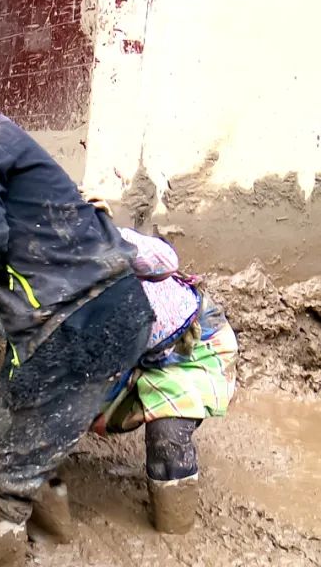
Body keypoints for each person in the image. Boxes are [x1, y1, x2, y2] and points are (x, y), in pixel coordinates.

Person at [0, 57, 154, 566]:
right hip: (119, 307)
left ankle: (0, 546)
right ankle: (58, 531)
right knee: (33, 429)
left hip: (71, 321)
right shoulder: (4, 136)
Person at [93, 227, 238, 534]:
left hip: (188, 346)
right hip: (126, 356)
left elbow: (165, 257)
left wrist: (109, 234)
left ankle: (174, 524)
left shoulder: (110, 241)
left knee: (168, 434)